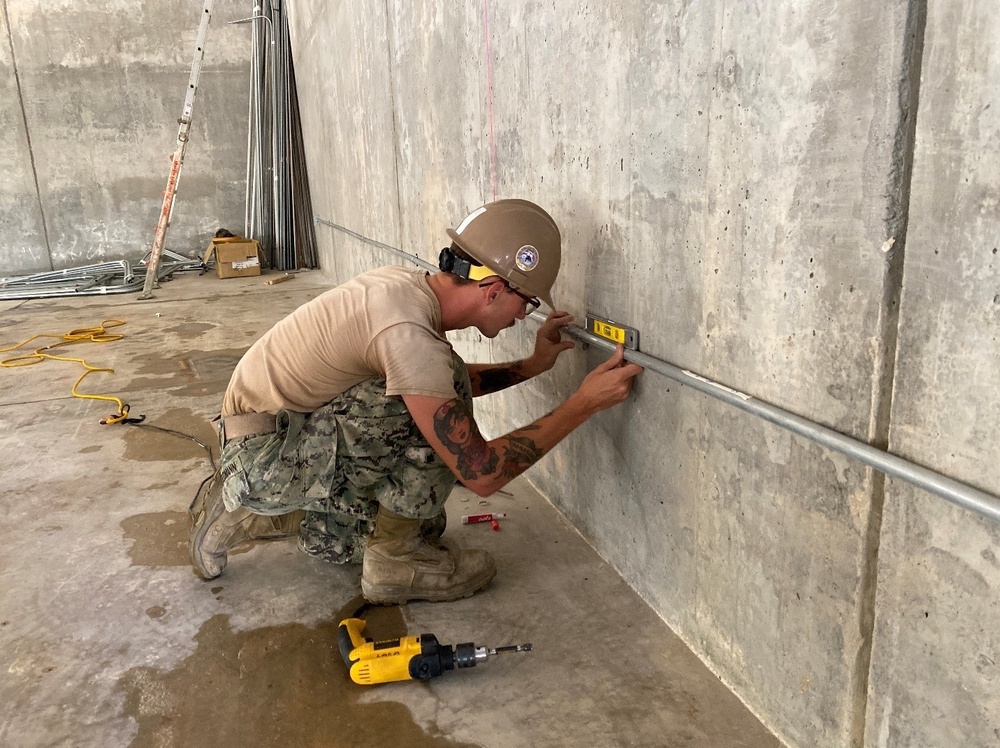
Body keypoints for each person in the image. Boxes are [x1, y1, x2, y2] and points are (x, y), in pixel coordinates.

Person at [189, 199, 643, 604]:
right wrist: (584, 403)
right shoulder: (409, 335)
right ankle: (364, 552)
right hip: (264, 458)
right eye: (526, 303)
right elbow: (482, 473)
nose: (523, 316)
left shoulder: (406, 287)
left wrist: (531, 366)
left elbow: (437, 383)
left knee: (424, 494)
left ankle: (373, 540)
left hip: (275, 429)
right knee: (419, 453)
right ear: (493, 290)